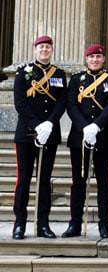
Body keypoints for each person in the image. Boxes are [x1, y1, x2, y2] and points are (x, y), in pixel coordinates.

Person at [63, 44, 108, 239]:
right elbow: (71, 105)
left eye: (98, 56)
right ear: (86, 59)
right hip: (79, 138)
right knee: (78, 182)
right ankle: (75, 223)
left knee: (104, 182)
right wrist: (84, 127)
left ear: (103, 59)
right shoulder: (76, 79)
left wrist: (96, 126)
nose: (95, 59)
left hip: (102, 136)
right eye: (91, 56)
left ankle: (105, 224)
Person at [12, 35, 67, 239]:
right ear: (35, 49)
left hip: (49, 135)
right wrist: (37, 125)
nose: (45, 50)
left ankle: (43, 224)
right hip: (26, 135)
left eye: (48, 47)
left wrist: (49, 124)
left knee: (44, 181)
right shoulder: (23, 72)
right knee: (24, 180)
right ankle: (20, 224)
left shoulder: (59, 75)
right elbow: (20, 103)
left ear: (52, 51)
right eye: (41, 47)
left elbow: (62, 102)